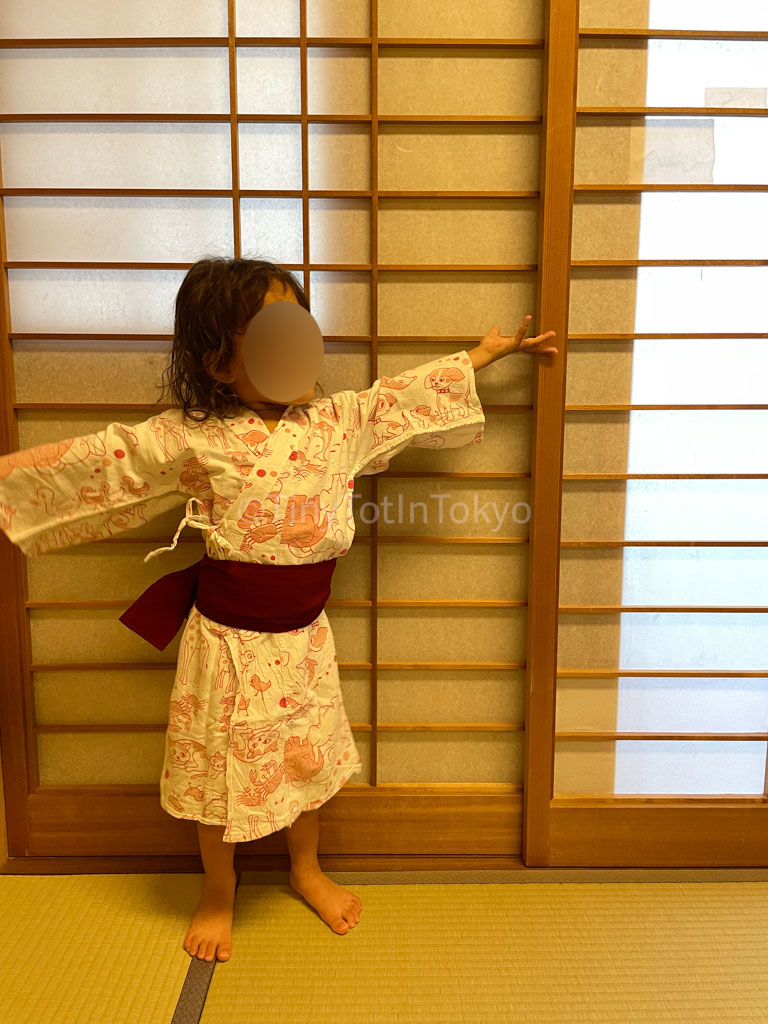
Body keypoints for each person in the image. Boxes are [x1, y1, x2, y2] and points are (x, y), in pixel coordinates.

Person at [0, 256, 557, 962]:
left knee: (307, 762)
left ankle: (305, 868)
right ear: (219, 361)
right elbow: (107, 460)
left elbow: (396, 398)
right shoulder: (194, 434)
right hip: (226, 642)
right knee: (215, 776)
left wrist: (482, 355)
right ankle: (219, 892)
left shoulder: (334, 422)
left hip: (304, 639)